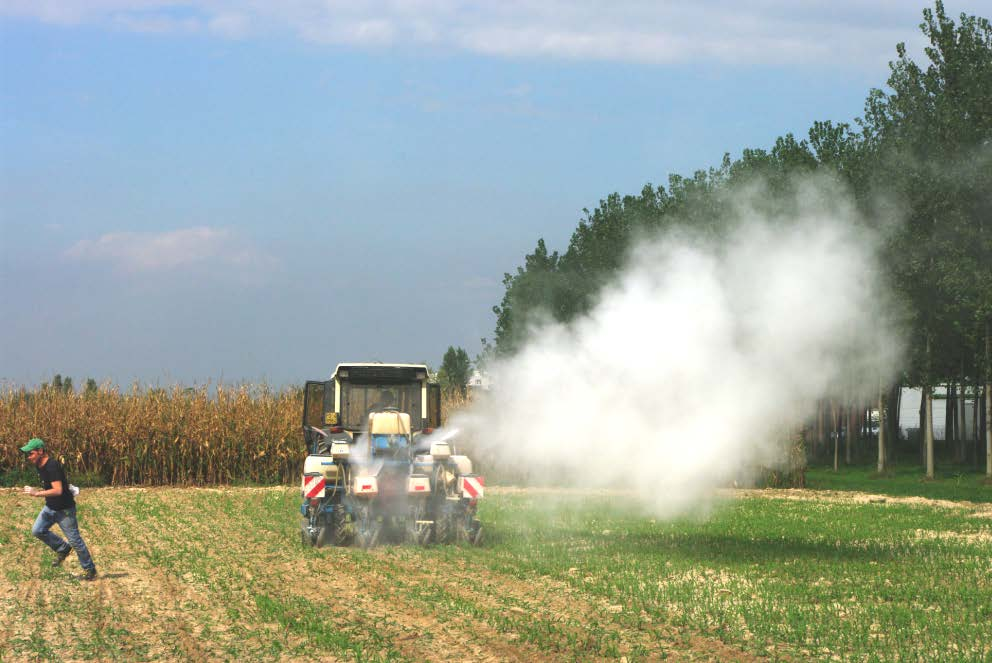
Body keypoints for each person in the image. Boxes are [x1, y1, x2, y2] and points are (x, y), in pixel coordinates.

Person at [21, 438, 97, 580]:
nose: (28, 457)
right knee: (37, 530)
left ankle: (90, 570)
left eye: (31, 453)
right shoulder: (39, 466)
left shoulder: (52, 466)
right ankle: (62, 548)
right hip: (50, 507)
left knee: (75, 541)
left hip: (64, 510)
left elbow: (57, 490)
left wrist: (36, 493)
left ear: (40, 451)